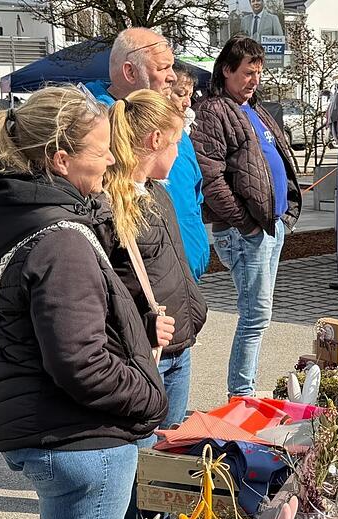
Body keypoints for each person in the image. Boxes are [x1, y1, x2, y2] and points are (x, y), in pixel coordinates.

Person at [0, 86, 168, 519]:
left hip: (57, 427)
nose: (112, 159)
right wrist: (150, 395)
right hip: (78, 438)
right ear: (60, 160)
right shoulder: (61, 241)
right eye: (102, 150)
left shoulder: (27, 217)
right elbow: (80, 362)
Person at [191, 36, 301, 397]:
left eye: (258, 73)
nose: (255, 80)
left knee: (259, 315)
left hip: (270, 226)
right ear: (226, 70)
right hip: (246, 231)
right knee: (255, 316)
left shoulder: (253, 109)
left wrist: (284, 212)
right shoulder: (214, 111)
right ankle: (241, 395)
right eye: (248, 73)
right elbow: (211, 178)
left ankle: (244, 393)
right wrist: (246, 223)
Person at [104, 89, 207, 436]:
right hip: (145, 354)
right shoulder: (110, 205)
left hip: (178, 347)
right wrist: (142, 328)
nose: (179, 152)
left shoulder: (158, 193)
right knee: (142, 454)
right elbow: (102, 291)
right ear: (156, 139)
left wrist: (195, 309)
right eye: (176, 142)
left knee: (169, 452)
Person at [87, 29, 211, 283]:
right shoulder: (97, 128)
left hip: (185, 274)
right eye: (163, 67)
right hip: (145, 282)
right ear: (130, 72)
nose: (172, 76)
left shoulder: (171, 121)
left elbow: (194, 194)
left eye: (172, 66)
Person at [166, 61, 211, 280]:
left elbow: (196, 195)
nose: (187, 103)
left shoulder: (183, 136)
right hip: (171, 260)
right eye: (180, 94)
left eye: (190, 95)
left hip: (191, 253)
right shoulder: (157, 139)